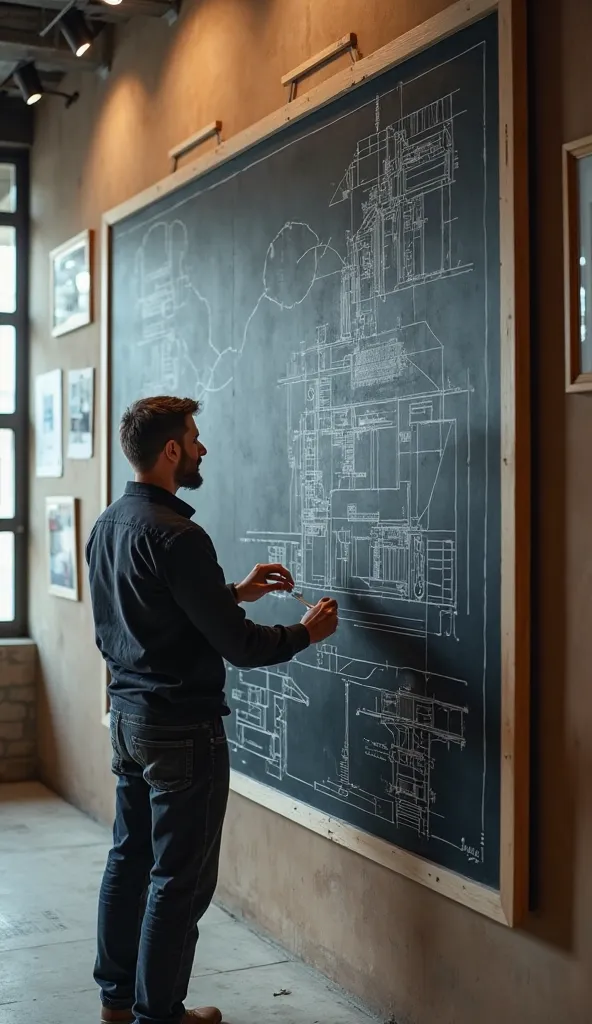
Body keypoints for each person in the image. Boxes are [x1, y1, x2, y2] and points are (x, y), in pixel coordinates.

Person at [85, 395, 339, 1024]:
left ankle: (118, 1003)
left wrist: (234, 592)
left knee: (129, 857)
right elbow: (241, 646)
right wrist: (306, 633)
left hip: (128, 720)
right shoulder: (179, 536)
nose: (202, 448)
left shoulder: (110, 524)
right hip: (181, 730)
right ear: (171, 451)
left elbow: (161, 612)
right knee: (179, 879)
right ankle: (160, 1015)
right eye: (195, 439)